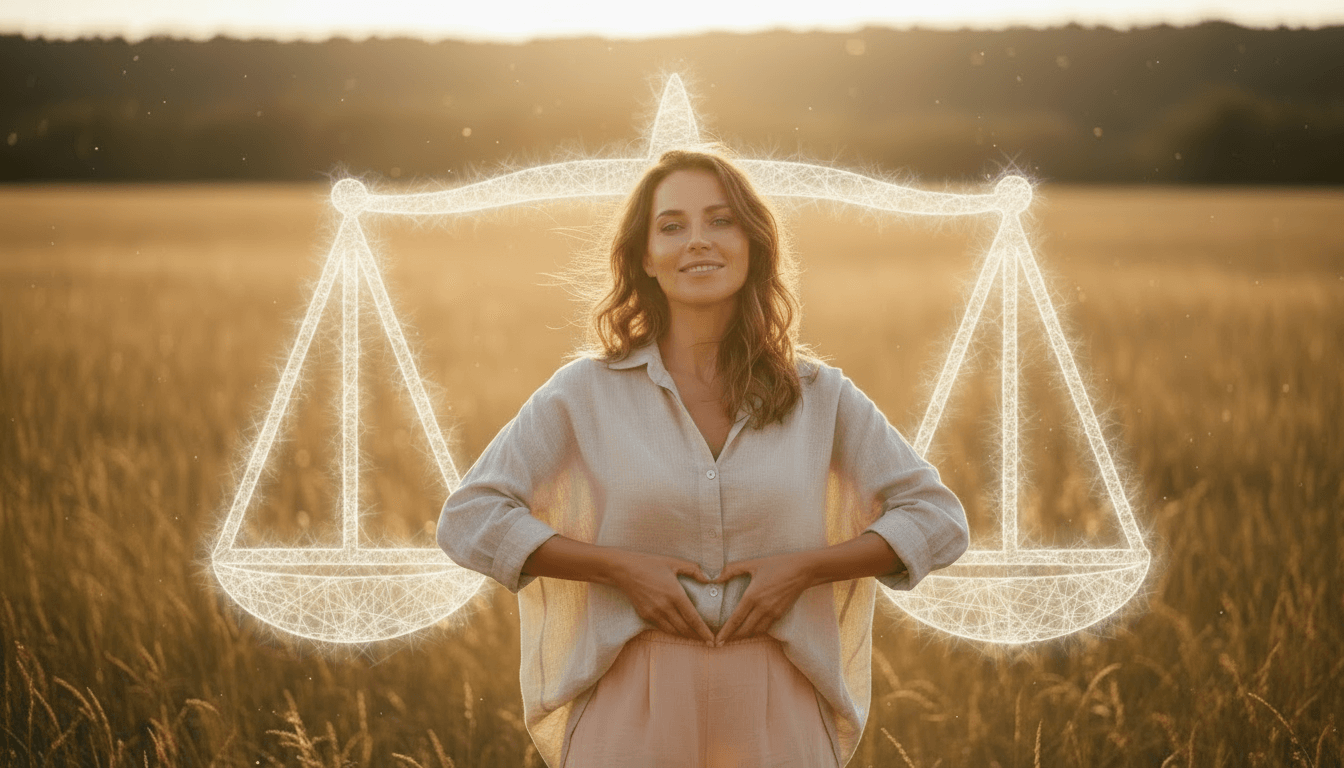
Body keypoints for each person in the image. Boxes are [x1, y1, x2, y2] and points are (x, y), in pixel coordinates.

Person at [437, 148, 968, 768]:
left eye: (721, 221)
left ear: (753, 244)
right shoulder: (584, 392)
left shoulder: (822, 396)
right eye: (672, 226)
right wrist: (619, 569)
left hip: (780, 704)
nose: (698, 242)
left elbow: (938, 520)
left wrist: (803, 570)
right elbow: (470, 519)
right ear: (645, 257)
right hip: (629, 705)